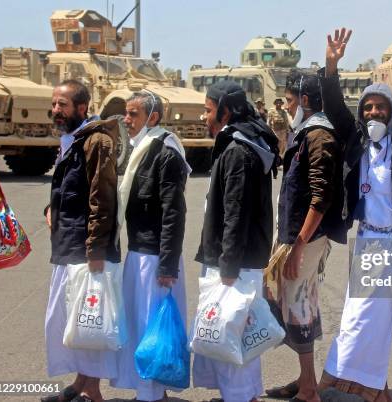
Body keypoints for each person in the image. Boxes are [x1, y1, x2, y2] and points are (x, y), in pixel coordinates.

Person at [312, 28, 392, 402]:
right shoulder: (359, 143)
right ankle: (373, 389)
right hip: (367, 240)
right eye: (367, 107)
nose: (373, 112)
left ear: (391, 110)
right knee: (364, 316)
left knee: (367, 319)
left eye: (379, 107)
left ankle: (335, 378)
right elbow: (334, 106)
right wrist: (331, 67)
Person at [264, 71, 347, 402]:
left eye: (289, 100)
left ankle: (310, 388)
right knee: (298, 303)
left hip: (306, 239)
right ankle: (305, 379)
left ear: (306, 101)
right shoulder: (307, 133)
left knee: (298, 305)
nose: (287, 107)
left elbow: (321, 197)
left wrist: (298, 246)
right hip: (297, 235)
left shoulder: (319, 136)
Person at [194, 80, 279, 402]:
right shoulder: (242, 145)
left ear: (225, 111)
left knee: (230, 337)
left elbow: (236, 213)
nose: (204, 117)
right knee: (238, 337)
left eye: (208, 110)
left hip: (234, 265)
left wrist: (227, 266)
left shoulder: (239, 151)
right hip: (238, 262)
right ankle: (245, 396)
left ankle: (240, 397)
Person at [41, 79, 120, 402]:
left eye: (62, 105)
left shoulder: (97, 142)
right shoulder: (71, 139)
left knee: (88, 323)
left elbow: (102, 199)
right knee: (71, 323)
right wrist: (51, 209)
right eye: (54, 104)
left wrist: (96, 250)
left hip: (85, 248)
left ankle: (90, 392)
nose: (55, 110)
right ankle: (82, 386)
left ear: (82, 108)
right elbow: (70, 190)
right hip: (67, 243)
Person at [110, 91, 189, 402]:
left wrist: (167, 265)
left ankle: (152, 393)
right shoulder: (141, 149)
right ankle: (150, 390)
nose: (126, 121)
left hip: (156, 259)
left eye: (133, 114)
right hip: (139, 254)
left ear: (153, 118)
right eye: (126, 114)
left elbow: (174, 212)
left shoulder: (165, 152)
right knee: (141, 325)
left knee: (153, 328)